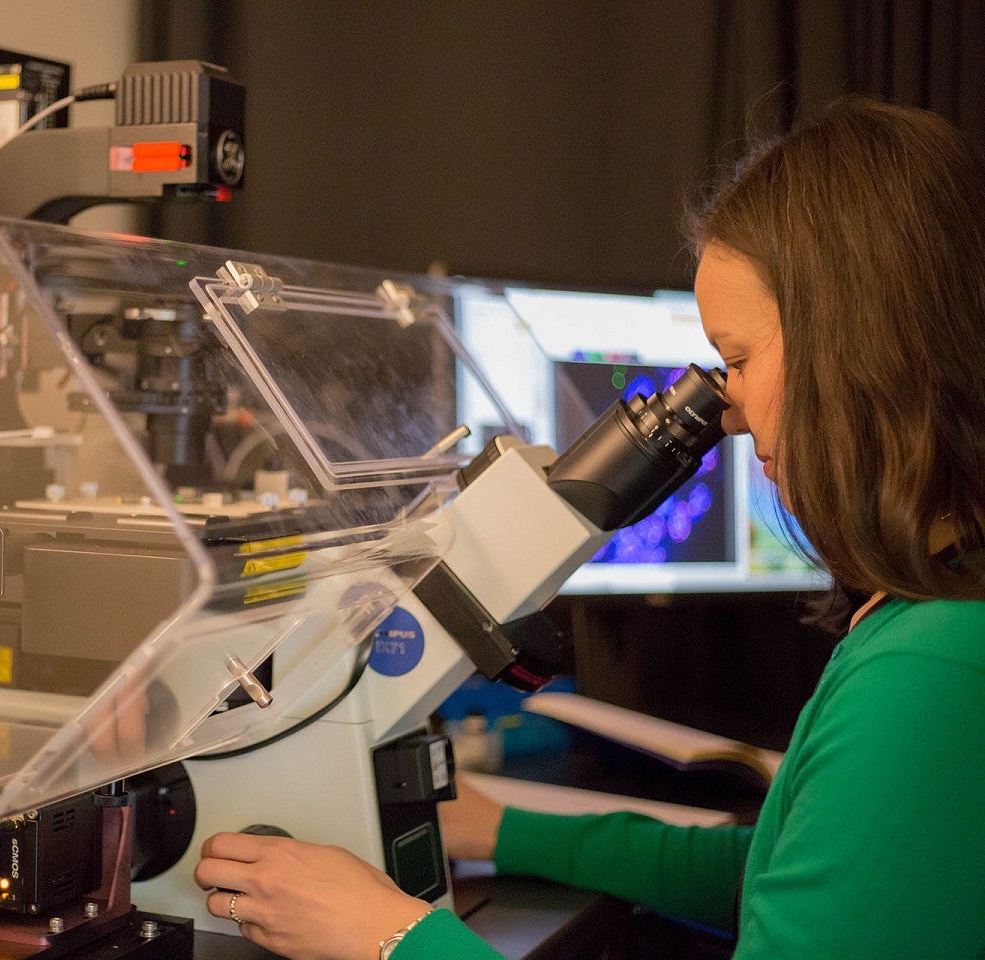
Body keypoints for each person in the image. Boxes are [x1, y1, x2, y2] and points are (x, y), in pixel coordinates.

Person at [192, 96, 985, 960]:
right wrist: (504, 828)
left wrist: (390, 937)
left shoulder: (927, 670)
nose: (731, 412)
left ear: (856, 350)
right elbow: (770, 873)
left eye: (743, 361)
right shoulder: (936, 608)